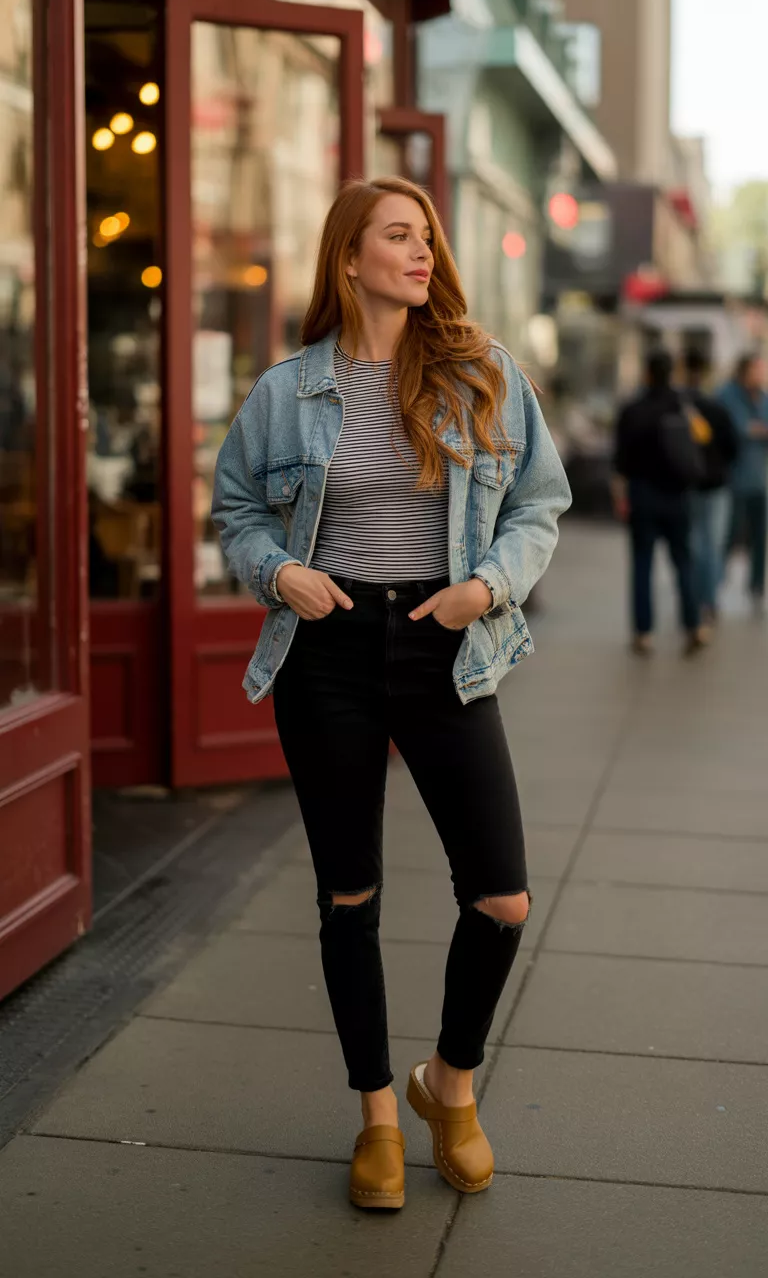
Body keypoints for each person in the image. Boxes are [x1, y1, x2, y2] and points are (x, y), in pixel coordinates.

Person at [212, 176, 571, 1210]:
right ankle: (376, 1112)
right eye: (398, 236)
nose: (422, 253)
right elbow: (237, 509)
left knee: (500, 896)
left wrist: (485, 588)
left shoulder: (480, 371)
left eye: (427, 238)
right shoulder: (287, 391)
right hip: (326, 650)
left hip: (442, 644)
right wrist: (279, 572)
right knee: (349, 895)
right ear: (349, 258)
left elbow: (540, 503)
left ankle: (447, 1084)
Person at [613, 347, 708, 655]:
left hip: (642, 494)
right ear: (672, 374)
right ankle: (694, 625)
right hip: (678, 496)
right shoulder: (682, 406)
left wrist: (620, 497)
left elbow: (620, 462)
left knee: (642, 564)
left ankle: (644, 634)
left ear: (647, 374)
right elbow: (703, 439)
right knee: (684, 562)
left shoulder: (632, 410)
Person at [681, 345, 738, 623]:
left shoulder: (679, 407)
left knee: (693, 543)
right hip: (716, 485)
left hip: (688, 484)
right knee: (713, 544)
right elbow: (732, 447)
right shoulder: (717, 407)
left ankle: (694, 597)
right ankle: (709, 600)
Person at [717, 353, 768, 612]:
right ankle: (714, 586)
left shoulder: (762, 397)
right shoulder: (727, 395)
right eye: (758, 369)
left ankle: (756, 587)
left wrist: (754, 429)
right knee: (729, 535)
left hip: (759, 480)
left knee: (760, 537)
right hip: (733, 480)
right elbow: (736, 429)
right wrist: (755, 430)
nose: (762, 375)